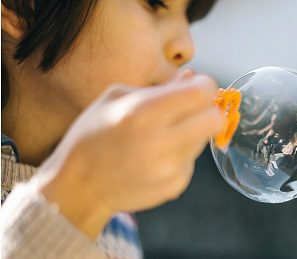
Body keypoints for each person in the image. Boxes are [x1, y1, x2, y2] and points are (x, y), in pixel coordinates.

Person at [1, 0, 219, 258]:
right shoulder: (98, 191)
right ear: (23, 9)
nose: (187, 47)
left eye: (188, 19)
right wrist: (84, 193)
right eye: (154, 4)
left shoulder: (118, 210)